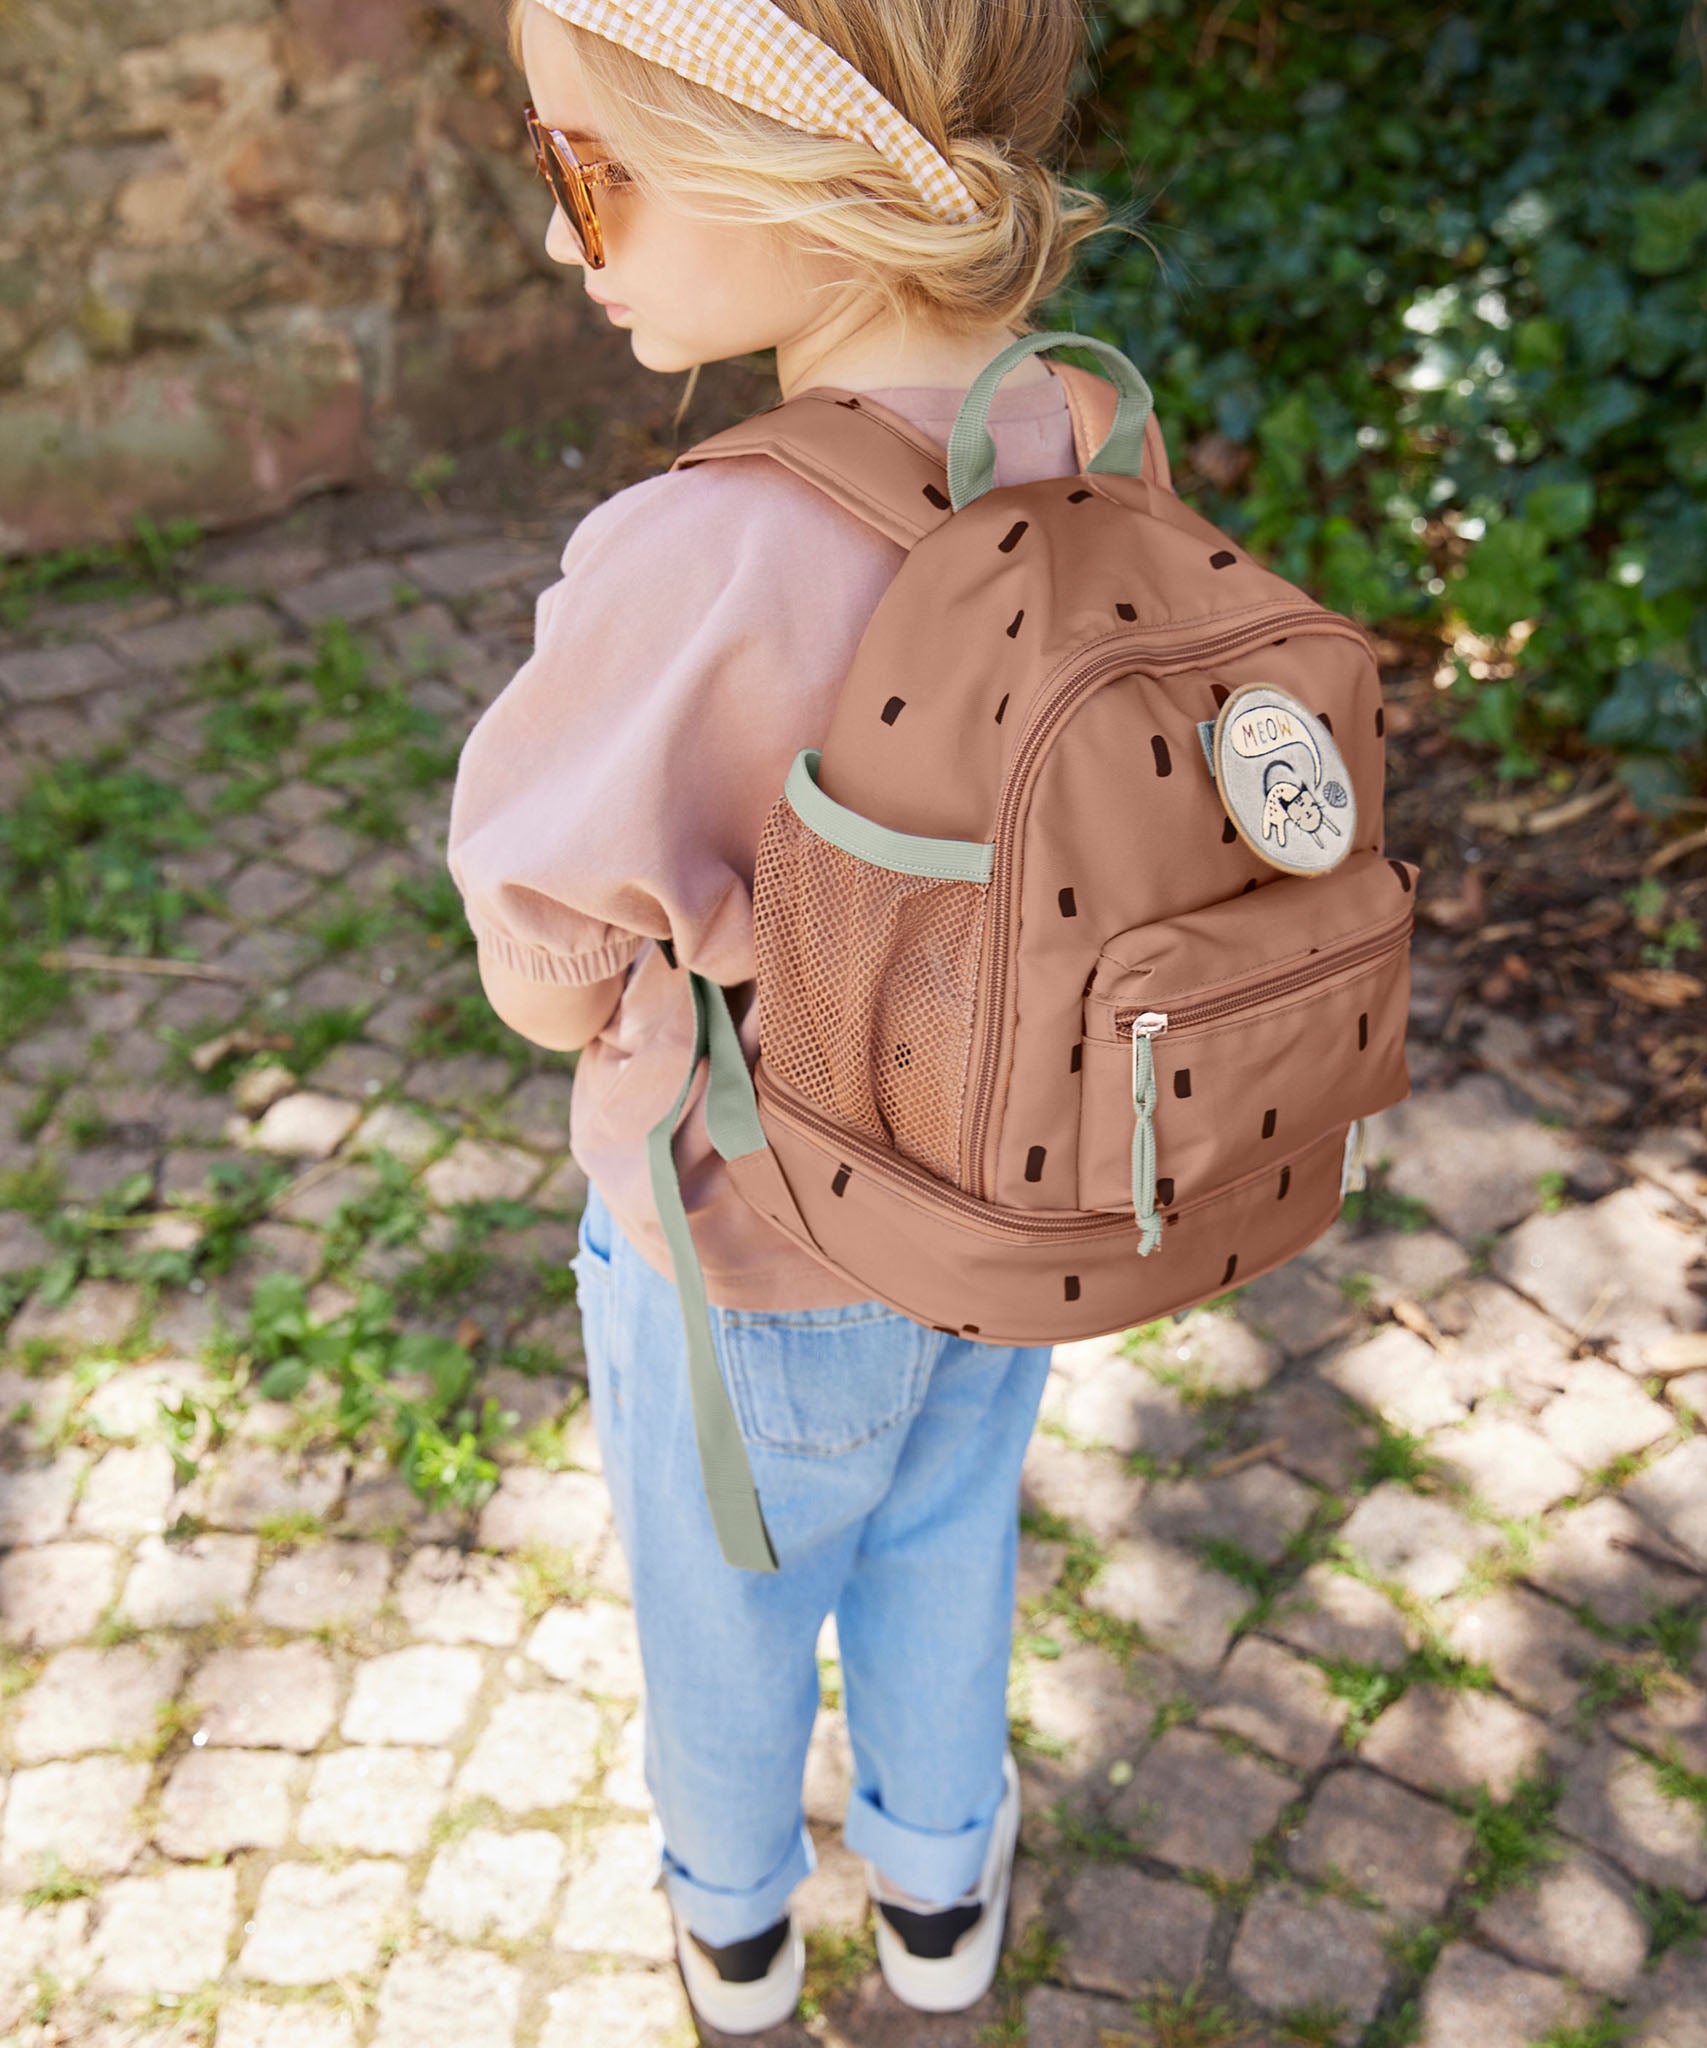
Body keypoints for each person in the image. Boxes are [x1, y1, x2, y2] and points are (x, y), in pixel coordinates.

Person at [447, 0, 1134, 2029]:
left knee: (729, 1601)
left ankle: (735, 1918)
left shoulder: (695, 546)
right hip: (1015, 1185)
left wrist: (605, 989)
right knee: (945, 1537)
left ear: (790, 164)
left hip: (751, 1236)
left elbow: (541, 950)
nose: (559, 232)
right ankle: (937, 1881)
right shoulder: (1080, 430)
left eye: (584, 167)